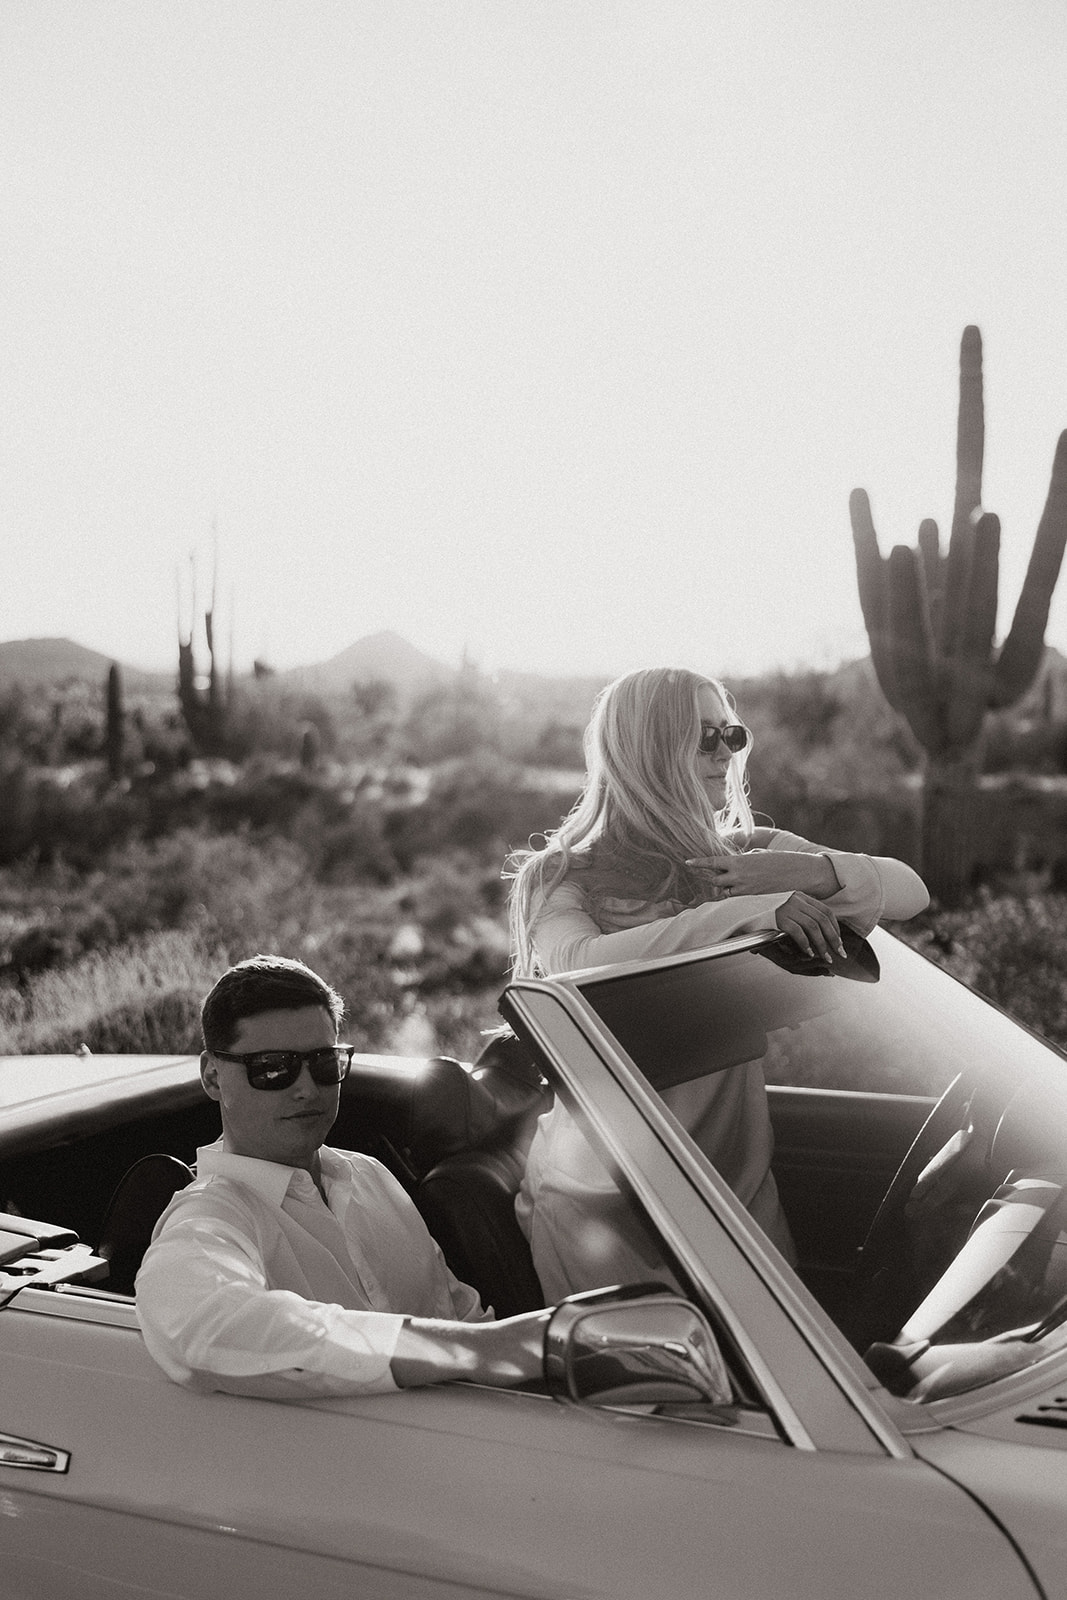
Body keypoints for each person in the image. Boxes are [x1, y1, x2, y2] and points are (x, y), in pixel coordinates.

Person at [506, 665, 929, 1300]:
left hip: (738, 1192)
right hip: (602, 1199)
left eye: (732, 735)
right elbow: (577, 964)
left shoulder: (748, 857)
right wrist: (742, 913)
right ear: (648, 749)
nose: (724, 754)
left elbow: (911, 893)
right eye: (704, 737)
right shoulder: (563, 875)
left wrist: (805, 870)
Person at [136, 955, 548, 1400]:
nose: (306, 1088)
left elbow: (462, 1317)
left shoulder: (370, 1174)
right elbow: (207, 1327)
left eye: (323, 1063)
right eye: (273, 1067)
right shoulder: (208, 1219)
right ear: (213, 1077)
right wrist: (476, 1351)